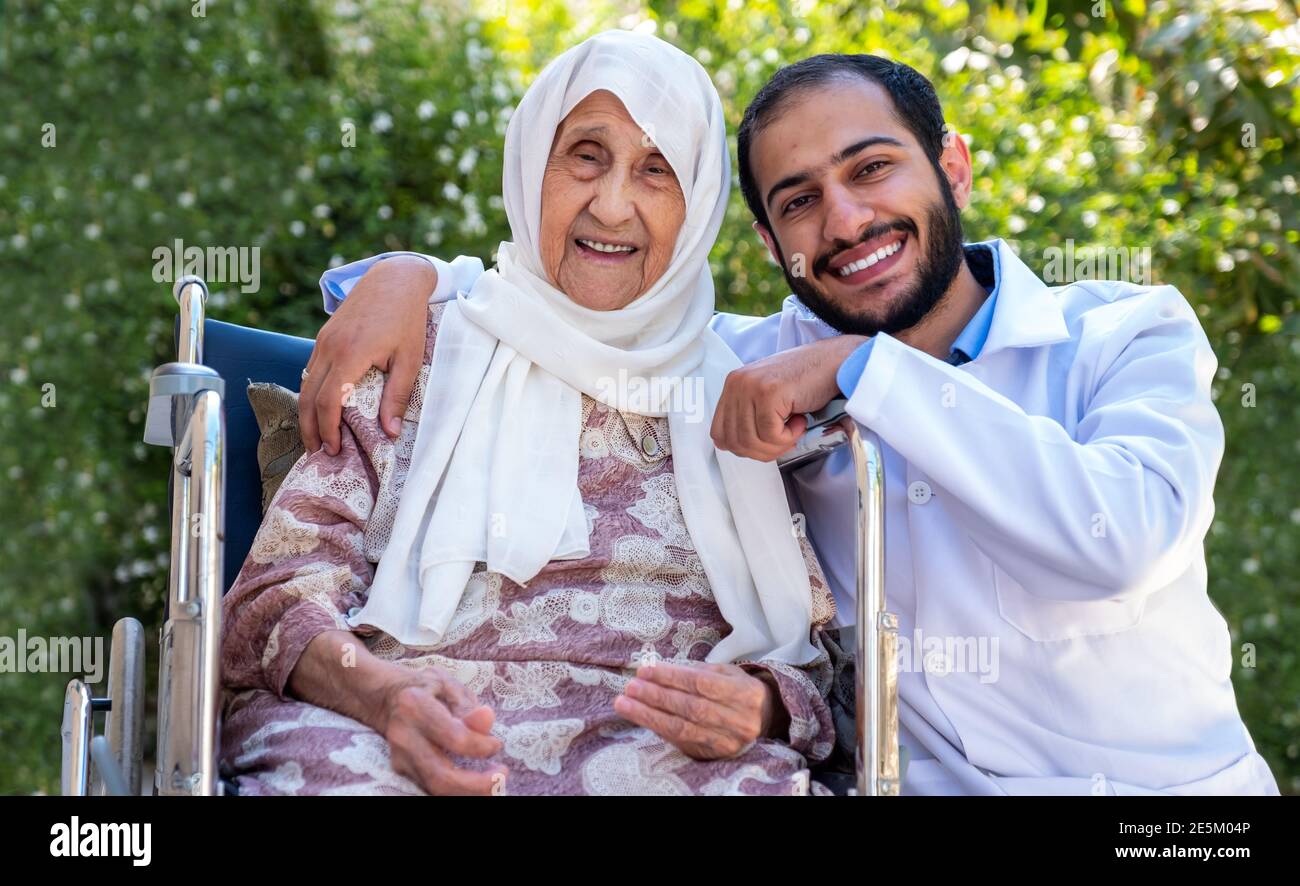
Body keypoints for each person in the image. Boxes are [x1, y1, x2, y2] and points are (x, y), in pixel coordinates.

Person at [308, 53, 1279, 795]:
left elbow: (1119, 539)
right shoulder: (737, 365)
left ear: (952, 166)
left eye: (873, 170)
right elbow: (565, 312)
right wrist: (410, 276)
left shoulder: (1119, 331)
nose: (847, 221)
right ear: (770, 240)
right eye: (800, 202)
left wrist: (865, 371)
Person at [220, 30, 839, 797]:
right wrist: (385, 696)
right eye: (585, 154)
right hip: (391, 726)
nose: (612, 204)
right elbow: (273, 601)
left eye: (657, 170)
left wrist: (765, 707)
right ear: (530, 166)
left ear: (699, 203)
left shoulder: (735, 399)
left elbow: (817, 669)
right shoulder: (422, 345)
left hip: (659, 754)